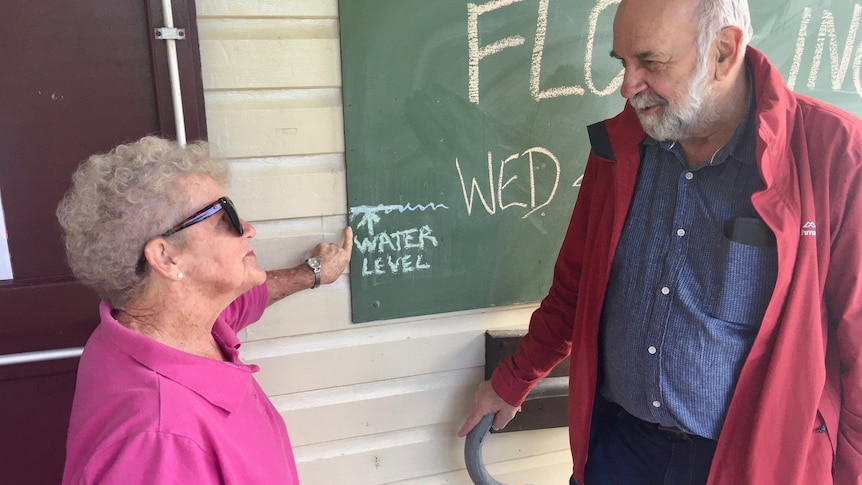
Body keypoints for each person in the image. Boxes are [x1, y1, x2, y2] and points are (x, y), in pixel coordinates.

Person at [458, 0, 862, 483]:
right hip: (619, 452)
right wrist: (513, 379)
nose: (628, 85)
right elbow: (573, 288)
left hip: (748, 464)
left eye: (650, 62)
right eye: (623, 63)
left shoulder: (836, 157)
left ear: (724, 53)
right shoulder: (618, 149)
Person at [56, 136, 352, 484]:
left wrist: (313, 273)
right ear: (165, 257)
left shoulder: (160, 326)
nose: (248, 229)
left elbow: (243, 299)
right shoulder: (161, 441)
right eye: (224, 217)